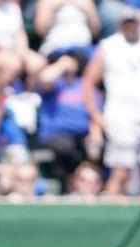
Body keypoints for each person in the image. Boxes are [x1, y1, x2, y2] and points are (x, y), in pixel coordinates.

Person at [84, 9, 140, 195]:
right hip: (121, 117)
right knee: (121, 170)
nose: (130, 27)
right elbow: (89, 81)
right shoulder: (109, 46)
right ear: (120, 25)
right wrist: (95, 115)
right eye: (126, 23)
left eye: (133, 23)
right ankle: (111, 213)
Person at [35, 48, 99, 186]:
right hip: (56, 135)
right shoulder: (55, 84)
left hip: (82, 135)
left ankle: (90, 185)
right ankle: (68, 183)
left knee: (97, 147)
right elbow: (44, 78)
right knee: (65, 146)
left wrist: (96, 132)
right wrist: (62, 64)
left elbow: (95, 111)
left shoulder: (85, 85)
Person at [34, 0, 99, 60]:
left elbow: (96, 31)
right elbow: (40, 30)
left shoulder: (86, 1)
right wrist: (54, 7)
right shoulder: (46, 1)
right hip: (54, 49)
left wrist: (88, 10)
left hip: (84, 49)